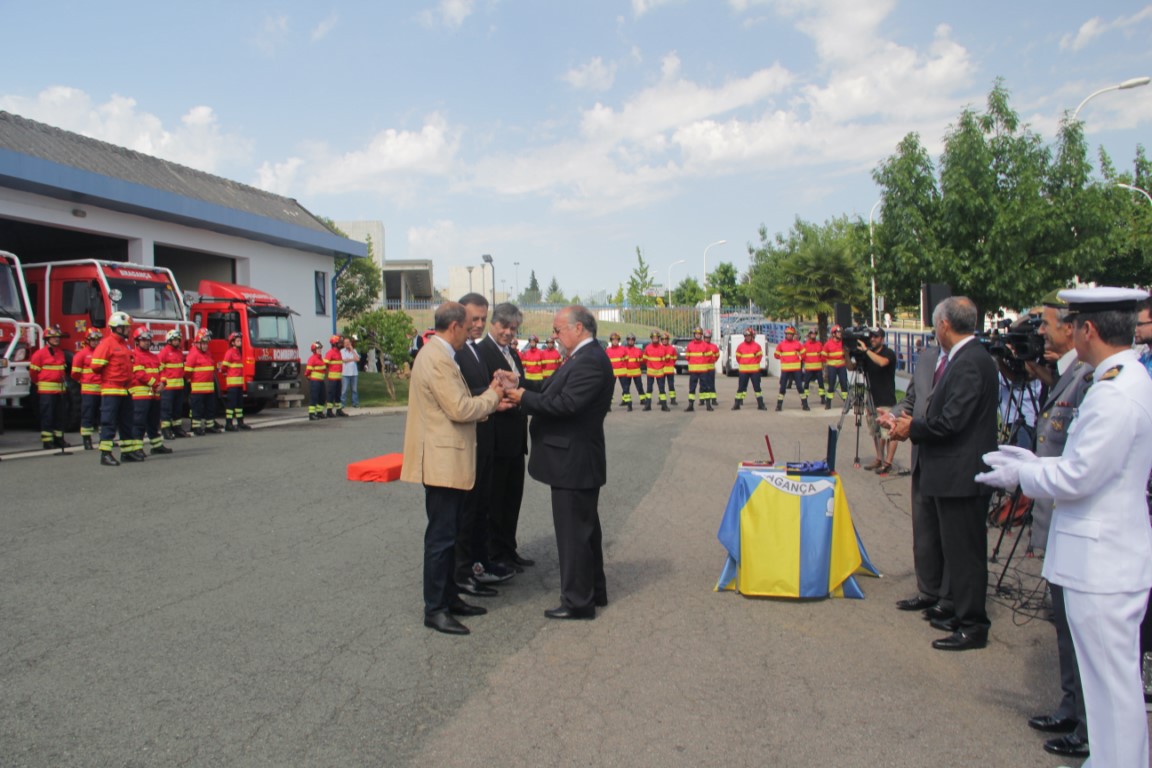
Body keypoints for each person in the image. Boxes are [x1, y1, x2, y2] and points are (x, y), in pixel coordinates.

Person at [976, 287, 1152, 767]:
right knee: (1105, 686)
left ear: (1088, 330)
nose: (1067, 333)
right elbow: (1088, 464)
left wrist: (1024, 474)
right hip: (1103, 559)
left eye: (1072, 325)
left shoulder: (1116, 392)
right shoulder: (1119, 380)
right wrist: (1034, 459)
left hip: (1103, 563)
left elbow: (1079, 475)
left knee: (1112, 690)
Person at [884, 296, 999, 651]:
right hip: (952, 472)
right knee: (954, 548)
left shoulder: (968, 363)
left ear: (945, 325)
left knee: (965, 554)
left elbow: (951, 421)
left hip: (962, 474)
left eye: (936, 325)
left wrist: (911, 429)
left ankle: (971, 625)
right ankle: (955, 610)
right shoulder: (966, 358)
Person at [1009, 291, 1094, 761]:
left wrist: (1023, 473)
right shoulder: (1068, 374)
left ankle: (1085, 725)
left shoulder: (1095, 379)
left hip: (1073, 518)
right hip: (1059, 520)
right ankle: (1070, 706)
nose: (1040, 331)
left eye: (1047, 324)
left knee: (1079, 630)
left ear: (1075, 329)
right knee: (1064, 626)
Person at [399, 301, 506, 636]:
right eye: (469, 324)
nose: (472, 330)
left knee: (449, 534)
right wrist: (493, 394)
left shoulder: (439, 354)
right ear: (455, 326)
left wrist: (489, 403)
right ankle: (435, 608)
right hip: (442, 461)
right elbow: (459, 408)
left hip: (448, 459)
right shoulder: (437, 359)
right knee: (441, 538)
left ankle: (450, 597)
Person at [506, 306, 614, 619]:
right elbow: (551, 388)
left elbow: (566, 404)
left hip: (575, 460)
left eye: (557, 330)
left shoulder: (590, 360)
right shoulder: (581, 357)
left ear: (578, 328)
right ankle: (594, 591)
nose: (554, 336)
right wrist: (520, 382)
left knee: (573, 536)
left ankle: (578, 602)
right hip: (573, 459)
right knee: (585, 531)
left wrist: (521, 398)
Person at [453, 294, 513, 598]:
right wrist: (492, 394)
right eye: (473, 319)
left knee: (481, 509)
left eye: (482, 319)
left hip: (485, 439)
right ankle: (462, 572)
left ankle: (479, 563)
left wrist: (495, 392)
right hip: (470, 442)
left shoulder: (472, 350)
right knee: (466, 512)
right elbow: (460, 395)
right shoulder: (454, 352)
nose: (477, 325)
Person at [476, 302, 535, 572]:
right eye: (505, 327)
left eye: (514, 328)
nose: (509, 333)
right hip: (496, 438)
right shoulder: (480, 352)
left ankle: (509, 549)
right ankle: (494, 552)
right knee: (495, 501)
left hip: (516, 439)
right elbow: (478, 391)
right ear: (493, 324)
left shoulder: (513, 354)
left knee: (513, 499)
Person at [847, 328, 898, 473]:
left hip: (886, 399)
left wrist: (866, 351)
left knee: (889, 433)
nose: (872, 339)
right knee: (875, 433)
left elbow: (882, 363)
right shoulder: (867, 355)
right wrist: (846, 352)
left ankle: (888, 462)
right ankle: (879, 458)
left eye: (875, 337)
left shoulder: (888, 353)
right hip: (871, 400)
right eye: (871, 337)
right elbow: (851, 367)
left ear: (882, 338)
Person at [90, 312, 135, 466]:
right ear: (118, 328)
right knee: (109, 422)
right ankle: (105, 454)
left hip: (125, 389)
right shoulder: (107, 344)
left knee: (126, 422)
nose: (129, 330)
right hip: (112, 389)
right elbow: (96, 365)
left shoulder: (125, 344)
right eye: (126, 327)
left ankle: (127, 452)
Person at [29, 324, 70, 450]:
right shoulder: (39, 354)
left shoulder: (61, 353)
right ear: (47, 339)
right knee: (47, 415)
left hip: (60, 391)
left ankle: (59, 438)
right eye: (53, 337)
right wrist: (41, 384)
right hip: (46, 391)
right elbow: (33, 374)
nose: (57, 339)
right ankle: (47, 441)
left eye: (58, 337)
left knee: (60, 416)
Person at [71, 328, 103, 450]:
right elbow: (75, 374)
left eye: (97, 340)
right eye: (93, 340)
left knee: (103, 416)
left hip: (102, 389)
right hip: (89, 390)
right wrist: (85, 381)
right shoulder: (81, 354)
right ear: (88, 340)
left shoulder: (102, 353)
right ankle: (87, 440)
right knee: (87, 415)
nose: (95, 342)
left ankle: (104, 438)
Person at [185, 329, 221, 435]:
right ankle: (196, 427)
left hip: (209, 388)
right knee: (197, 409)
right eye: (203, 343)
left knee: (210, 408)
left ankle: (209, 426)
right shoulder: (193, 354)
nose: (205, 346)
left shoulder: (208, 353)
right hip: (198, 389)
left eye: (206, 343)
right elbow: (187, 372)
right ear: (197, 343)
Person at [158, 329, 188, 440]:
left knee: (177, 409)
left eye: (178, 340)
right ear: (169, 340)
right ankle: (166, 430)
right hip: (168, 387)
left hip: (179, 387)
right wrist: (163, 381)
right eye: (175, 340)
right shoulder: (164, 352)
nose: (177, 342)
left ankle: (177, 428)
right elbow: (159, 369)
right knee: (166, 409)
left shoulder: (179, 352)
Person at [221, 332, 252, 431]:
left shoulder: (238, 352)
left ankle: (240, 422)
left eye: (240, 340)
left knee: (239, 405)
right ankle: (228, 423)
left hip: (239, 384)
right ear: (233, 342)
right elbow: (223, 367)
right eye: (238, 341)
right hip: (232, 384)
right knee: (231, 405)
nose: (240, 342)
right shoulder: (230, 352)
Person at [732, 327, 766, 410]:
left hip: (754, 371)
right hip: (744, 371)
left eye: (749, 336)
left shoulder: (757, 346)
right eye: (746, 336)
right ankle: (737, 404)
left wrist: (753, 363)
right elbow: (738, 358)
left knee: (757, 388)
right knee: (741, 388)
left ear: (752, 336)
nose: (747, 337)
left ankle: (760, 404)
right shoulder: (740, 346)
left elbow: (759, 357)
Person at [774, 326, 807, 411]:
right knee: (782, 388)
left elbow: (804, 354)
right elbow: (776, 355)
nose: (789, 336)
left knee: (800, 387)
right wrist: (783, 357)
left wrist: (799, 358)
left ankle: (805, 404)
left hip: (796, 370)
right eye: (788, 334)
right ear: (785, 335)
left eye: (790, 334)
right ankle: (779, 405)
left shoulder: (797, 344)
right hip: (785, 370)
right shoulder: (781, 345)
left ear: (793, 335)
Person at [684, 327, 712, 412]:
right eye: (696, 334)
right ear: (694, 335)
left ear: (701, 335)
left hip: (703, 371)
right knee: (692, 388)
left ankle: (708, 405)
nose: (698, 335)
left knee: (706, 388)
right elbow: (687, 357)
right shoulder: (690, 345)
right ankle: (690, 405)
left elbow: (709, 357)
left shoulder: (705, 345)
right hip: (693, 371)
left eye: (699, 334)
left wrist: (702, 362)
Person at [822, 325, 848, 409]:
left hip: (842, 366)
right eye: (838, 332)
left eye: (841, 332)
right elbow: (823, 358)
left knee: (844, 384)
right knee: (831, 385)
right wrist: (825, 370)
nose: (840, 334)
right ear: (833, 334)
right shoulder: (828, 344)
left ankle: (846, 402)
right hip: (832, 367)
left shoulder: (844, 343)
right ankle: (828, 402)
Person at [643, 331, 669, 411]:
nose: (655, 339)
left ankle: (664, 405)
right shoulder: (647, 348)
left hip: (660, 372)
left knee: (662, 389)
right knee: (649, 390)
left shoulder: (663, 348)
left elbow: (667, 359)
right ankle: (647, 405)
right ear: (651, 338)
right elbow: (644, 359)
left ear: (658, 338)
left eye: (656, 338)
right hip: (650, 372)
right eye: (653, 338)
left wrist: (661, 365)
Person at [622, 333, 645, 410]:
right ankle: (625, 400)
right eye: (629, 340)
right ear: (627, 341)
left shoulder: (638, 350)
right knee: (626, 387)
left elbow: (642, 360)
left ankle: (642, 399)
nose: (631, 341)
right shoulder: (623, 350)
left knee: (639, 386)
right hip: (627, 371)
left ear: (634, 341)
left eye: (632, 340)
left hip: (636, 371)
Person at [605, 332, 628, 410]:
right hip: (612, 373)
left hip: (622, 372)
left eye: (616, 340)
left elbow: (627, 360)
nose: (615, 341)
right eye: (613, 340)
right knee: (610, 389)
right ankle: (608, 406)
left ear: (618, 341)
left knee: (625, 388)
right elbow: (606, 361)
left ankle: (629, 403)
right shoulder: (608, 350)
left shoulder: (623, 349)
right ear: (611, 341)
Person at [324, 335, 346, 417]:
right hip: (332, 378)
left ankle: (339, 410)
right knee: (331, 395)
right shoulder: (330, 353)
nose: (341, 344)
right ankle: (329, 411)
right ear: (334, 343)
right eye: (339, 343)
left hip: (338, 378)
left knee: (338, 395)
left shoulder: (339, 353)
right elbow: (325, 364)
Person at [802, 329, 825, 405]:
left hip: (818, 368)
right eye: (812, 334)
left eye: (815, 334)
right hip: (809, 368)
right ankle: (805, 399)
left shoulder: (819, 344)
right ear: (809, 335)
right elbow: (803, 356)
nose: (813, 335)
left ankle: (822, 398)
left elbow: (822, 355)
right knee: (806, 384)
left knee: (821, 384)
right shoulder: (805, 345)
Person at [305, 341, 327, 420]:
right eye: (318, 349)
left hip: (321, 381)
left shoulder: (321, 359)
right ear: (314, 350)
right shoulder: (312, 359)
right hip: (314, 381)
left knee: (322, 397)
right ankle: (311, 414)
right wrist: (308, 377)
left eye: (320, 348)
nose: (320, 350)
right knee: (314, 397)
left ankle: (319, 412)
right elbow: (307, 371)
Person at [340, 336, 361, 409]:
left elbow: (357, 359)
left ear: (350, 343)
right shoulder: (342, 351)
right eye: (345, 343)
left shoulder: (354, 350)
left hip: (354, 373)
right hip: (345, 373)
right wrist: (353, 359)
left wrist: (352, 350)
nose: (346, 344)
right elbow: (344, 360)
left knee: (354, 389)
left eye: (348, 342)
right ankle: (342, 404)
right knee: (344, 390)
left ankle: (355, 403)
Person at [701, 329, 720, 407]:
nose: (707, 339)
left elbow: (717, 355)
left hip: (711, 368)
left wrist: (712, 360)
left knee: (712, 384)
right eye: (706, 337)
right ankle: (702, 400)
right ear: (704, 337)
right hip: (702, 368)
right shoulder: (701, 346)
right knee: (702, 384)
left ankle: (713, 400)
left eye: (708, 337)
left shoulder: (714, 346)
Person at [662, 332, 678, 406]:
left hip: (670, 369)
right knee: (661, 385)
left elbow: (675, 358)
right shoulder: (660, 348)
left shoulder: (672, 348)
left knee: (671, 385)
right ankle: (661, 399)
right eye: (663, 339)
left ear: (668, 340)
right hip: (661, 369)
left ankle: (673, 399)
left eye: (666, 339)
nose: (664, 340)